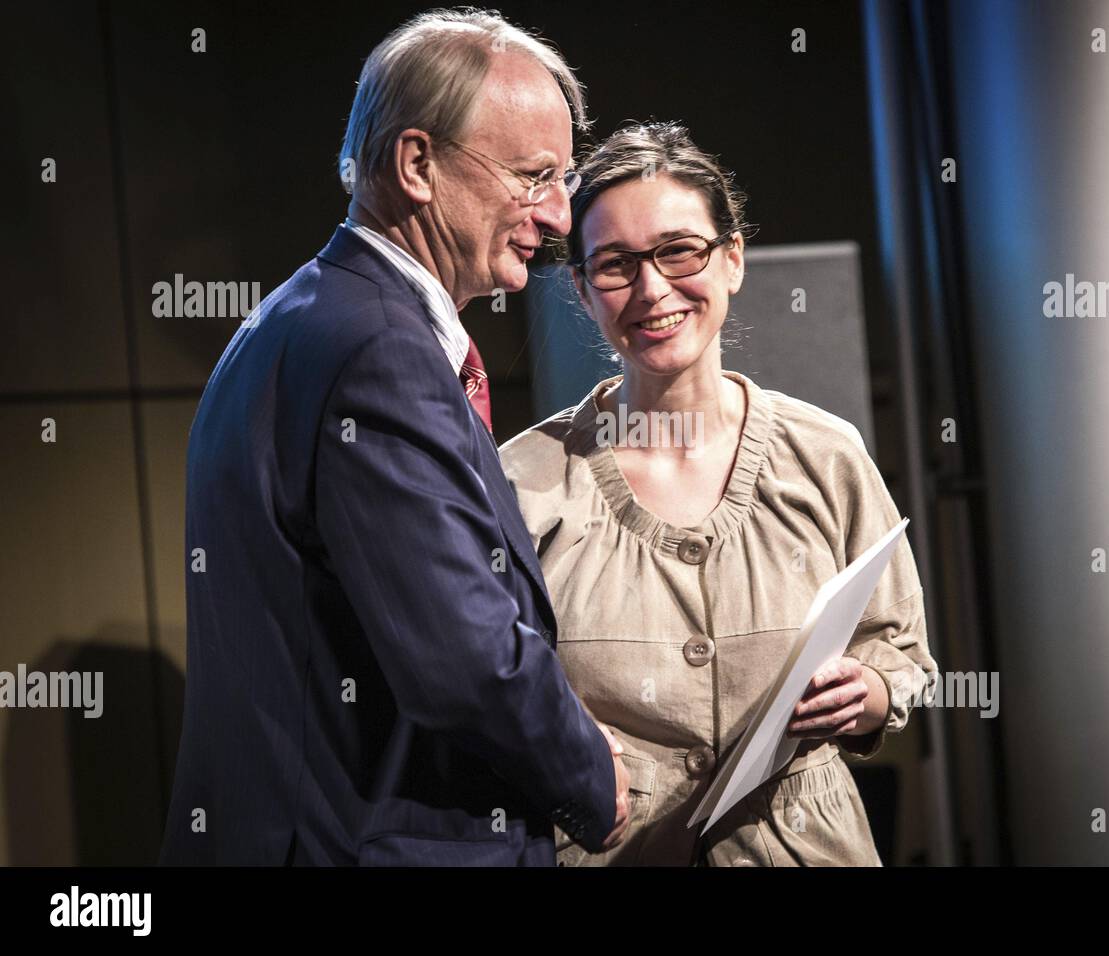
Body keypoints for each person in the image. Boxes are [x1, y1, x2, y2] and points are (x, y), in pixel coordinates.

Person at [161, 9, 629, 867]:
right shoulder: (379, 350)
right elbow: (464, 658)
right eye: (534, 176)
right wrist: (590, 773)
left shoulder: (302, 315)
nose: (560, 215)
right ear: (417, 163)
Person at [499, 122, 938, 866]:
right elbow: (487, 686)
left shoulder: (825, 455)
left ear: (732, 259)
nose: (653, 289)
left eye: (679, 250)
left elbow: (901, 654)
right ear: (580, 288)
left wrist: (865, 691)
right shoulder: (524, 478)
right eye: (615, 265)